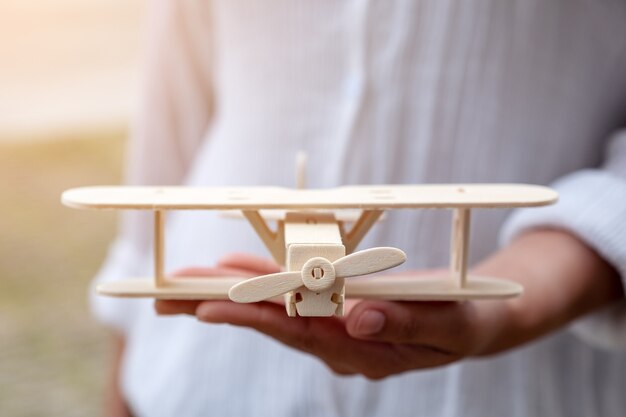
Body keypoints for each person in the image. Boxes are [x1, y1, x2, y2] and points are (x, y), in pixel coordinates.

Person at [93, 1, 626, 416]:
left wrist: (527, 293)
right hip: (188, 386)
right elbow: (171, 116)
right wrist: (125, 368)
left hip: (517, 391)